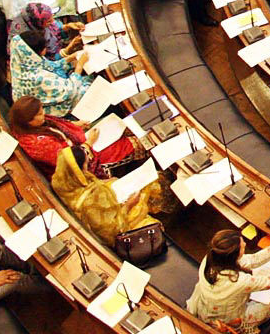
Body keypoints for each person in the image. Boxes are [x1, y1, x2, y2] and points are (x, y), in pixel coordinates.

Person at [187, 229, 270, 334]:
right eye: (242, 247)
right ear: (232, 256)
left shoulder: (210, 259)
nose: (245, 244)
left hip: (208, 310)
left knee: (262, 277)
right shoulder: (238, 282)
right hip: (232, 322)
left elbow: (252, 260)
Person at [50, 145, 169, 247]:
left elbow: (85, 185)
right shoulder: (91, 200)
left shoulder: (60, 180)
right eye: (86, 164)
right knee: (153, 184)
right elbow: (114, 231)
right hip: (117, 222)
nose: (88, 166)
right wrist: (129, 204)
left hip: (104, 204)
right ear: (78, 169)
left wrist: (104, 183)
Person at [9, 94, 146, 178]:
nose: (43, 114)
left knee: (127, 126)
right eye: (39, 114)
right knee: (138, 142)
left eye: (42, 110)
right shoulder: (38, 144)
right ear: (28, 121)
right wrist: (89, 143)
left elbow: (57, 125)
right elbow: (71, 162)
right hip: (84, 161)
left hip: (81, 142)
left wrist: (76, 125)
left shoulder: (34, 124)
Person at [9, 32, 91, 116]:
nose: (46, 49)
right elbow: (69, 91)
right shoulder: (37, 78)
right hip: (46, 111)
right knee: (89, 88)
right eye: (44, 48)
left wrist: (70, 58)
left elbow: (51, 66)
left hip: (44, 97)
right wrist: (79, 65)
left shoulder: (25, 62)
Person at [6, 2, 79, 60]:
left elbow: (53, 27)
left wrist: (68, 26)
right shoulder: (28, 40)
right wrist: (68, 49)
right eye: (49, 21)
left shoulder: (34, 20)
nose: (52, 22)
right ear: (38, 22)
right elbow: (45, 62)